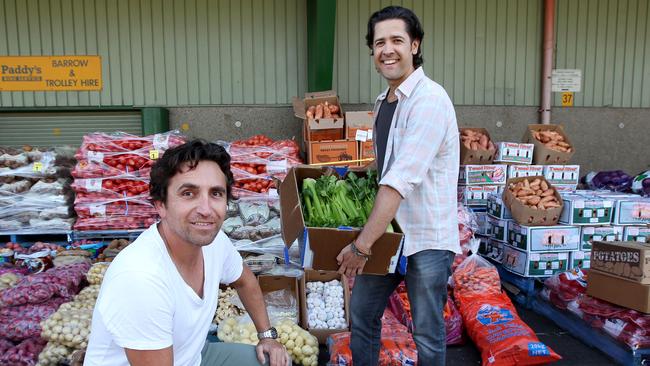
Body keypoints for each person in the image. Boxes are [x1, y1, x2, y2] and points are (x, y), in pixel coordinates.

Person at [84, 140, 289, 366]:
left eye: (216, 193)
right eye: (189, 193)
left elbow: (245, 280)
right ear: (160, 204)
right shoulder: (140, 278)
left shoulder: (215, 242)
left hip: (191, 356)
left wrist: (267, 336)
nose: (205, 209)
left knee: (275, 361)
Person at [336, 6, 461, 366]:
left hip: (424, 235)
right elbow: (387, 164)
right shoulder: (384, 102)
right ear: (372, 52)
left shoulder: (429, 100)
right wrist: (350, 174)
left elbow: (399, 179)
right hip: (389, 231)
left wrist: (361, 246)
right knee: (362, 312)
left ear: (415, 46)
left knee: (426, 329)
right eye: (379, 43)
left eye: (396, 40)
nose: (387, 49)